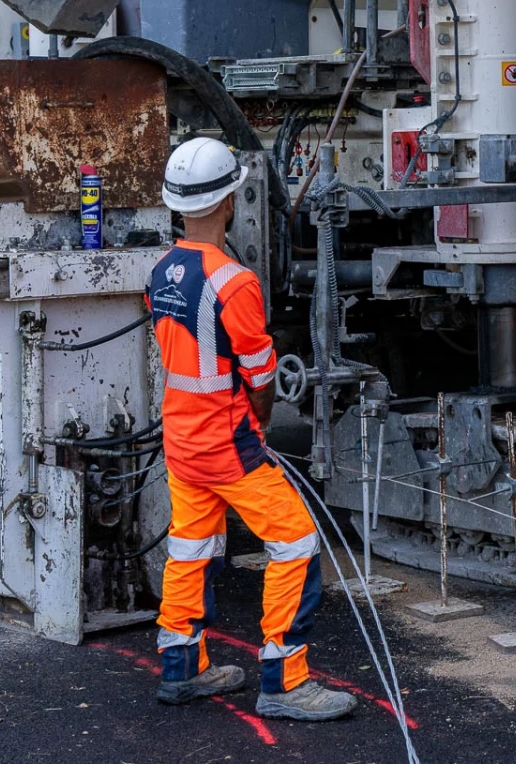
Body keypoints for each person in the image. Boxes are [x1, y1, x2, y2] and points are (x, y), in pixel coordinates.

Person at [147, 136, 354, 722]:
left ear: (177, 204)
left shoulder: (161, 271)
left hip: (181, 441)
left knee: (190, 547)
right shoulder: (234, 283)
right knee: (296, 541)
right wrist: (259, 421)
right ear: (230, 201)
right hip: (227, 444)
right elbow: (261, 375)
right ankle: (284, 683)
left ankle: (182, 669)